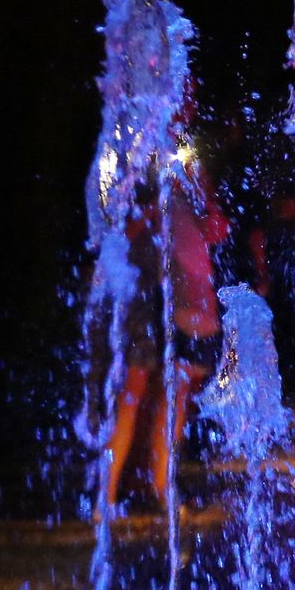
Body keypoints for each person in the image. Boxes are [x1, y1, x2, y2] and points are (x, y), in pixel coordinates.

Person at [104, 148, 227, 512]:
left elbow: (217, 231)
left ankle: (159, 489)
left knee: (174, 396)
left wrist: (201, 192)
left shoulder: (190, 178)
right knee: (133, 391)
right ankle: (107, 495)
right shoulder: (133, 160)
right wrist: (151, 208)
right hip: (144, 292)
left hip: (188, 299)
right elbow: (115, 234)